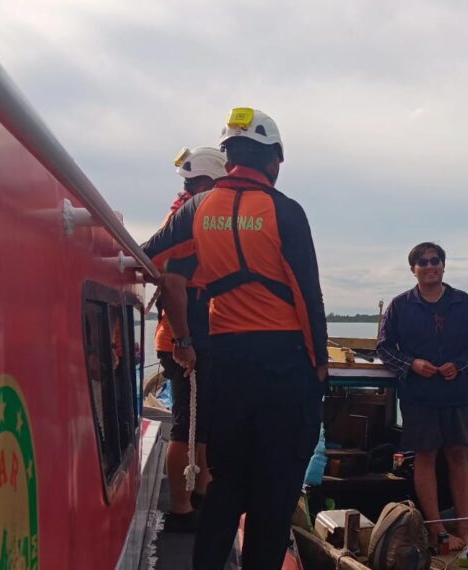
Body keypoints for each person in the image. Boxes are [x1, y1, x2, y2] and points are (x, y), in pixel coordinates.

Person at [142, 106, 328, 570]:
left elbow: (150, 257)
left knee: (225, 482)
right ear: (274, 161)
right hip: (284, 363)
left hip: (225, 361)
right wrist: (319, 367)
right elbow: (309, 296)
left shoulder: (198, 209)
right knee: (276, 485)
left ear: (229, 159)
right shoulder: (286, 211)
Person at [377, 242, 468, 551]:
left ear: (444, 265)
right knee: (425, 458)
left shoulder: (462, 302)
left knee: (459, 456)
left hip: (456, 393)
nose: (429, 265)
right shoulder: (399, 305)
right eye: (422, 262)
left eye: (435, 260)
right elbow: (383, 347)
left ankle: (463, 527)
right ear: (413, 270)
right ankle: (437, 531)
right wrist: (412, 364)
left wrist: (459, 365)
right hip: (419, 395)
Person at [153, 147, 226, 531]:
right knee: (186, 423)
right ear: (208, 184)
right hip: (185, 341)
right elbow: (173, 285)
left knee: (204, 420)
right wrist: (184, 342)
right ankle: (181, 509)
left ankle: (202, 488)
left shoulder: (191, 217)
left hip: (200, 336)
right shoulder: (187, 224)